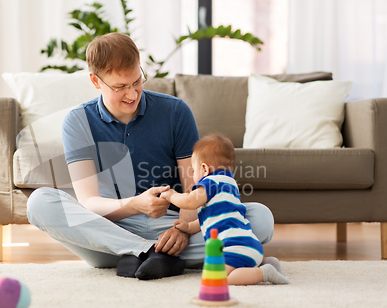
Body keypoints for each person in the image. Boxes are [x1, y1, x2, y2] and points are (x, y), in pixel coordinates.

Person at [26, 32, 275, 280]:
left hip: (171, 225)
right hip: (111, 228)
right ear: (95, 81)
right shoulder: (78, 122)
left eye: (137, 81)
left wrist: (182, 231)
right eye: (120, 87)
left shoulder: (176, 111)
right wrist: (135, 204)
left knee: (260, 218)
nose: (132, 94)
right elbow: (89, 201)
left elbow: (192, 187)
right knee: (40, 202)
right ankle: (147, 252)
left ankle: (138, 257)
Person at [160, 133, 289, 284]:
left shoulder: (209, 183)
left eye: (193, 171)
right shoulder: (230, 184)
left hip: (232, 247)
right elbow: (212, 218)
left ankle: (264, 273)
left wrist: (172, 196)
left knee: (219, 278)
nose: (193, 175)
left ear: (204, 169)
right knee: (239, 265)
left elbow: (189, 201)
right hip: (249, 243)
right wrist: (188, 227)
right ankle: (265, 262)